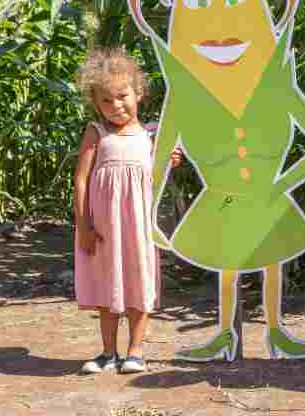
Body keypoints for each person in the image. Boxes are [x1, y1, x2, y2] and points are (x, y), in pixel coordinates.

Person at [73, 46, 179, 375]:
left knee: (138, 282)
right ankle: (107, 353)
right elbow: (81, 181)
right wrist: (84, 227)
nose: (116, 105)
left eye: (122, 96)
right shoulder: (97, 132)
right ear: (95, 103)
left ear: (139, 93)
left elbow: (156, 181)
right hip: (103, 229)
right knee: (108, 286)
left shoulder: (152, 134)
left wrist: (171, 163)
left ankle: (135, 350)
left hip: (139, 226)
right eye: (106, 100)